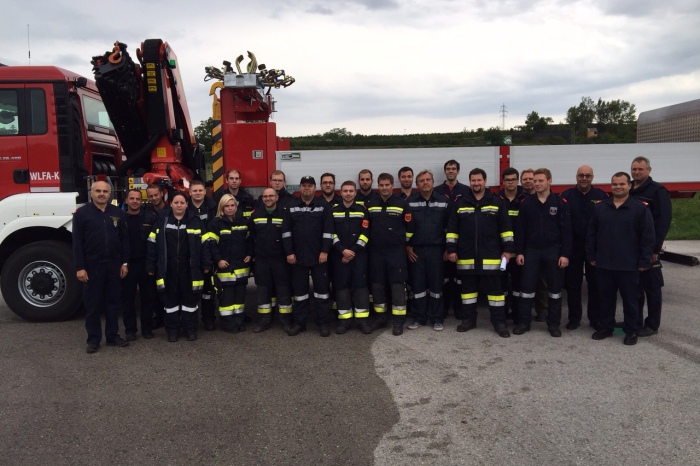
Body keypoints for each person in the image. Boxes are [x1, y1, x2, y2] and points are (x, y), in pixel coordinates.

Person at [587, 172, 655, 345]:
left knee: (631, 300)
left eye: (621, 184)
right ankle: (606, 327)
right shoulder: (601, 207)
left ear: (629, 186)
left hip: (629, 264)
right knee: (605, 298)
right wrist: (592, 256)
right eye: (614, 184)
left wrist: (644, 261)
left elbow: (647, 237)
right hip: (604, 263)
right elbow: (592, 234)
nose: (618, 187)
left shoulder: (640, 208)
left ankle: (632, 330)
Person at [446, 168, 513, 338]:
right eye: (473, 180)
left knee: (496, 293)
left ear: (485, 181)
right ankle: (469, 320)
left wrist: (508, 250)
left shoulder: (496, 201)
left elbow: (506, 228)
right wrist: (452, 250)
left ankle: (499, 322)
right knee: (468, 292)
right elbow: (453, 229)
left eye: (479, 180)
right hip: (466, 256)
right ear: (470, 182)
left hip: (491, 256)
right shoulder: (460, 202)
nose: (476, 183)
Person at [73, 180, 130, 353]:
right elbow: (77, 243)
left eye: (105, 191)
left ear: (110, 193)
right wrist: (80, 267)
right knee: (92, 305)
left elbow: (124, 240)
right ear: (91, 193)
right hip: (92, 266)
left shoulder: (118, 213)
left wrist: (124, 263)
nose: (101, 194)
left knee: (112, 303)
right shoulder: (82, 214)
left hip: (113, 265)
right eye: (98, 190)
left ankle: (113, 336)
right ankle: (94, 340)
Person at [514, 168, 572, 337]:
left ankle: (553, 324)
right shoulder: (526, 204)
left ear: (549, 181)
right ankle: (524, 322)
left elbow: (566, 231)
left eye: (540, 180)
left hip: (553, 251)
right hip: (531, 251)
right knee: (527, 289)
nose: (537, 183)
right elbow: (520, 231)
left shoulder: (560, 203)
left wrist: (565, 255)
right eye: (535, 181)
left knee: (554, 290)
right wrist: (519, 252)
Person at [146, 192, 211, 342]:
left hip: (190, 268)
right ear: (171, 204)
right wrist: (150, 265)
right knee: (170, 302)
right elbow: (152, 245)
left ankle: (190, 330)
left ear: (187, 204)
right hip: (168, 268)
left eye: (182, 202)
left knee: (190, 302)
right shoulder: (162, 221)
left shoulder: (195, 221)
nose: (179, 205)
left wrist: (206, 263)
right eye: (176, 202)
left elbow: (205, 244)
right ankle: (172, 330)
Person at [283, 176, 334, 337]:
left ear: (314, 188)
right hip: (297, 257)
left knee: (322, 293)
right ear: (300, 188)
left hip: (319, 257)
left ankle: (323, 323)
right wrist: (289, 252)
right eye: (304, 186)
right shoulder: (291, 206)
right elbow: (286, 232)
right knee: (300, 293)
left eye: (309, 186)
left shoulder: (323, 206)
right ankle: (300, 323)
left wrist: (325, 251)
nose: (306, 188)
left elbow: (328, 231)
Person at [561, 165, 608, 330]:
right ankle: (574, 318)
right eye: (581, 175)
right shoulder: (566, 196)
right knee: (573, 284)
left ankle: (594, 319)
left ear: (592, 177)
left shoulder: (601, 196)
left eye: (588, 175)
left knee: (594, 284)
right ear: (576, 176)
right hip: (573, 247)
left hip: (594, 248)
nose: (584, 178)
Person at [366, 173, 414, 336]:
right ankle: (380, 318)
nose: (384, 188)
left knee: (397, 286)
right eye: (381, 185)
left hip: (396, 253)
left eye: (387, 185)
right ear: (377, 186)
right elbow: (367, 228)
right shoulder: (371, 204)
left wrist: (403, 244)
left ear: (392, 185)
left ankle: (398, 320)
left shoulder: (402, 204)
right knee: (377, 285)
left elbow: (410, 228)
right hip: (376, 252)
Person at [630, 156, 672, 337]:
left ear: (649, 170)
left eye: (640, 169)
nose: (637, 172)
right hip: (630, 248)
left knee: (652, 288)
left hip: (649, 249)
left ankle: (652, 324)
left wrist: (655, 249)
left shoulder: (658, 191)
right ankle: (635, 320)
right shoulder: (628, 188)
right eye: (634, 169)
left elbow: (663, 221)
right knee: (635, 288)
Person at [406, 170, 450, 331]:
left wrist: (448, 248)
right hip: (416, 251)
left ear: (432, 182)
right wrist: (407, 246)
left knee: (436, 287)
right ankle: (419, 317)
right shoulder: (409, 202)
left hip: (436, 251)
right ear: (417, 184)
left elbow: (449, 227)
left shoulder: (443, 201)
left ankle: (437, 318)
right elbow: (405, 228)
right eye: (421, 181)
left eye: (428, 180)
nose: (425, 183)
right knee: (417, 287)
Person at [330, 181, 372, 334]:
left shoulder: (362, 210)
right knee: (342, 287)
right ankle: (344, 320)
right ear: (340, 193)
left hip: (359, 256)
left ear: (355, 193)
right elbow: (330, 233)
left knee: (360, 287)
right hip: (339, 256)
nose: (348, 193)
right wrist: (342, 250)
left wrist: (352, 251)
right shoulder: (333, 210)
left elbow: (365, 234)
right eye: (345, 191)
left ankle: (362, 321)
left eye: (351, 191)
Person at [249, 188, 293, 333]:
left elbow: (290, 236)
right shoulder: (256, 215)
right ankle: (264, 320)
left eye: (271, 196)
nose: (268, 198)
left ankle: (286, 320)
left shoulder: (284, 214)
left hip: (280, 260)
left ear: (277, 197)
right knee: (263, 290)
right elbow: (251, 237)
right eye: (265, 196)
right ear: (262, 199)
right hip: (262, 260)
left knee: (283, 290)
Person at [207, 194, 252, 334]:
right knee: (226, 299)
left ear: (236, 206)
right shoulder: (215, 223)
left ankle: (239, 321)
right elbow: (212, 245)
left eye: (232, 205)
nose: (230, 208)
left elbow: (250, 240)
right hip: (225, 268)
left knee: (239, 298)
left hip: (241, 267)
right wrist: (218, 260)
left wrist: (249, 254)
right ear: (222, 207)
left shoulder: (243, 221)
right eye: (227, 206)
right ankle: (228, 323)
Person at [434, 160, 470, 319]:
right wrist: (445, 248)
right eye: (448, 169)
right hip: (442, 242)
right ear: (444, 171)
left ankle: (459, 309)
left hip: (461, 242)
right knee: (444, 279)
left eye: (453, 169)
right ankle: (443, 308)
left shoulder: (466, 190)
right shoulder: (437, 191)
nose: (450, 171)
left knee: (459, 279)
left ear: (458, 171)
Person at [121, 188, 159, 340]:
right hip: (127, 265)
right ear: (126, 200)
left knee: (148, 298)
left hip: (146, 264)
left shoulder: (150, 218)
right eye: (132, 199)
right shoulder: (121, 219)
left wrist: (152, 264)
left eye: (138, 199)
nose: (135, 201)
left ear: (141, 201)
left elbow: (155, 243)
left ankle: (147, 329)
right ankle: (130, 330)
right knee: (128, 300)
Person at [498, 167, 527, 323]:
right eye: (507, 180)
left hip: (519, 252)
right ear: (503, 182)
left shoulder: (526, 199)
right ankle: (501, 315)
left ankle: (517, 316)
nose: (510, 182)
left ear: (518, 181)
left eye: (513, 179)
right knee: (501, 285)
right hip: (502, 253)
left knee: (518, 286)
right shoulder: (496, 199)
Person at [189, 180, 219, 331]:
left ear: (205, 192)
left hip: (209, 253)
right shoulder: (185, 208)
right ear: (190, 192)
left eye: (200, 190)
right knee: (190, 290)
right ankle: (190, 321)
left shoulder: (213, 207)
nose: (198, 193)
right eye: (195, 191)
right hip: (191, 255)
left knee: (208, 290)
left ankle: (208, 319)